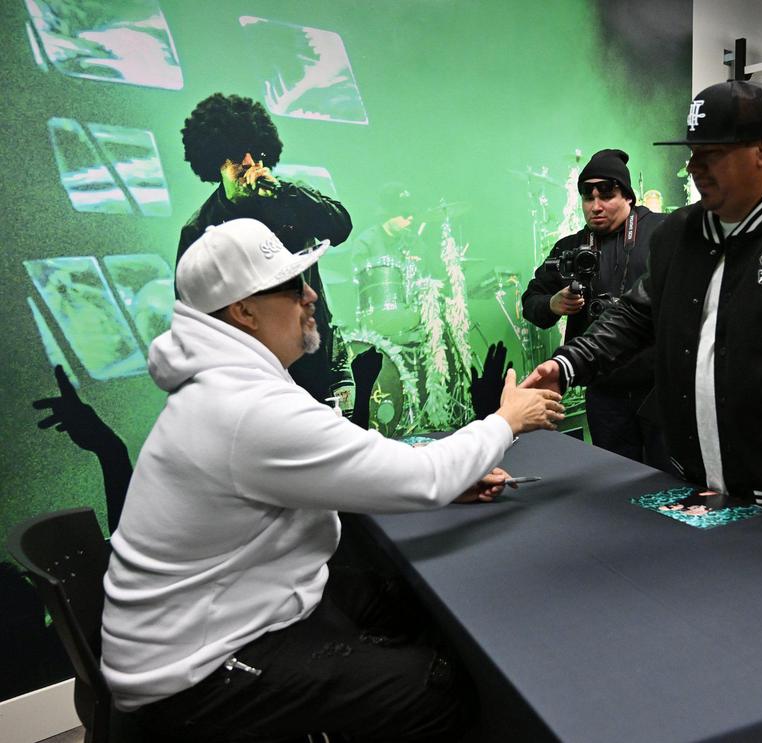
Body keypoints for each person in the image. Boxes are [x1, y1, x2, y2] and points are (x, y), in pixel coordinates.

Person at [101, 218, 564, 741]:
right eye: (292, 286)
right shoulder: (245, 407)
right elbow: (420, 478)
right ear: (243, 311)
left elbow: (364, 469)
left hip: (217, 623)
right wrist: (506, 420)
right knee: (437, 691)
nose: (311, 295)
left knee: (405, 596)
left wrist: (455, 480)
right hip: (193, 678)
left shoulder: (229, 387)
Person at [523, 81, 762, 537]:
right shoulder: (678, 234)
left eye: (711, 155)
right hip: (697, 486)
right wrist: (568, 364)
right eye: (692, 154)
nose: (695, 168)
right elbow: (637, 314)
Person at [177, 92, 353, 404]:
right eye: (235, 156)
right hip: (257, 374)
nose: (248, 163)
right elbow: (195, 317)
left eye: (255, 153)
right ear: (215, 163)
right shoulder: (200, 230)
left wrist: (284, 192)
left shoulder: (288, 199)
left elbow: (340, 227)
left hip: (319, 357)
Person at [521, 148, 667, 468]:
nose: (596, 206)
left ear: (628, 196)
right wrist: (552, 303)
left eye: (607, 194)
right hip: (605, 393)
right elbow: (529, 302)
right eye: (588, 197)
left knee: (668, 486)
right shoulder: (572, 248)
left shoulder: (663, 233)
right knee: (614, 483)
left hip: (659, 390)